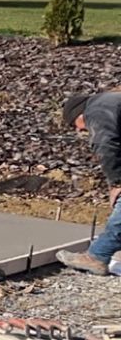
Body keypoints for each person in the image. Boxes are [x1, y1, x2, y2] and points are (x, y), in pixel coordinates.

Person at [60, 91, 121, 275]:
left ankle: (97, 256)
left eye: (74, 125)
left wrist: (117, 184)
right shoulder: (110, 102)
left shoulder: (97, 111)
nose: (78, 130)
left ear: (80, 114)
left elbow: (106, 146)